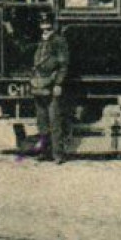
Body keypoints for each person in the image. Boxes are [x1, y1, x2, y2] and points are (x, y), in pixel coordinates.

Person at [29, 18, 70, 163]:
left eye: (48, 29)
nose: (45, 32)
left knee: (54, 121)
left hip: (51, 85)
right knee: (42, 122)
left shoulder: (58, 41)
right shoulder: (42, 42)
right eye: (43, 29)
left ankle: (58, 154)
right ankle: (44, 152)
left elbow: (63, 65)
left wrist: (58, 84)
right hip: (39, 85)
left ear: (53, 28)